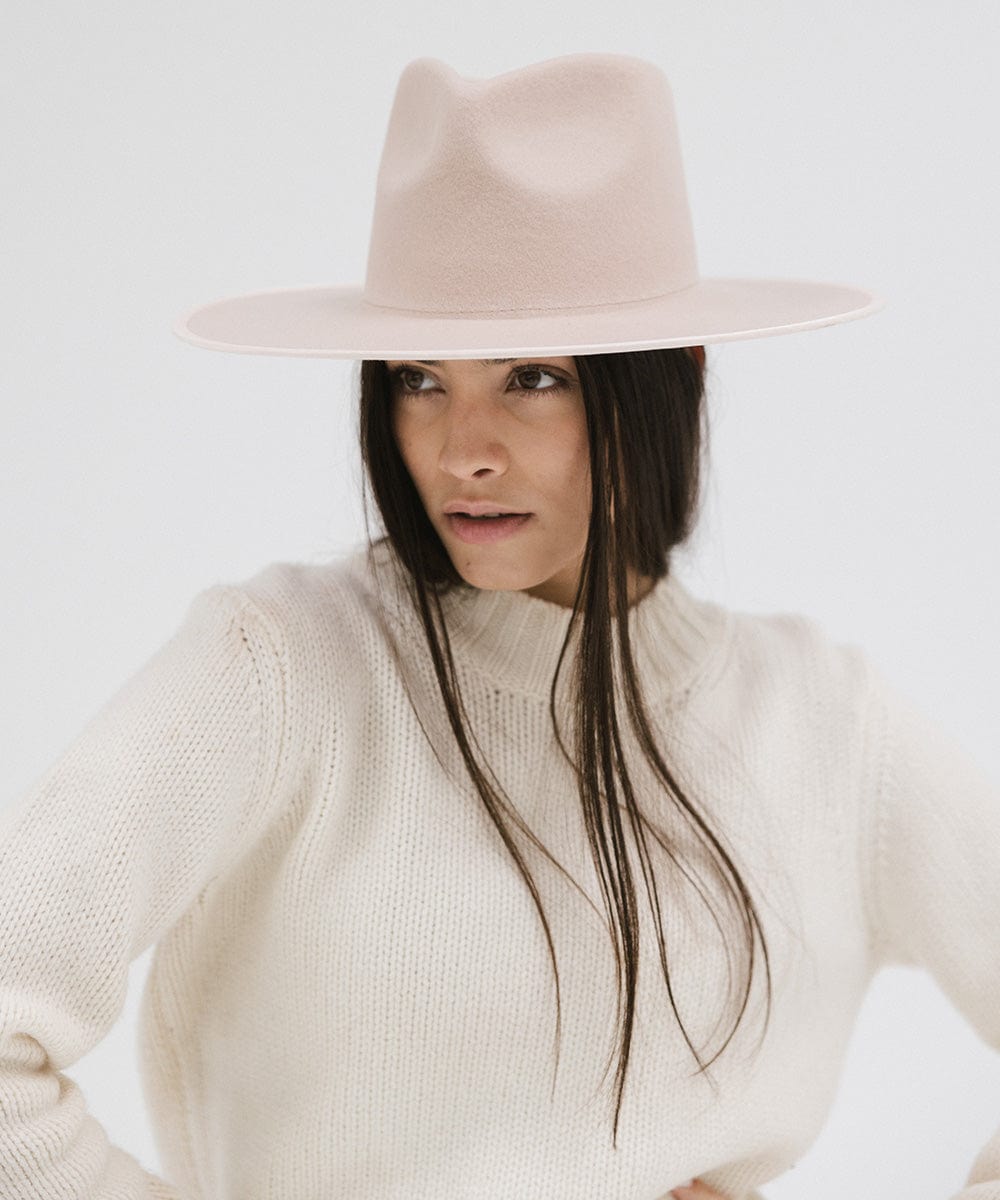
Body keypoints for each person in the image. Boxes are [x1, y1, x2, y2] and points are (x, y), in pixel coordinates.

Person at [1, 50, 997, 1200]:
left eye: (531, 374)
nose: (459, 446)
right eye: (419, 378)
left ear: (671, 378)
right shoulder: (281, 669)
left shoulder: (822, 722)